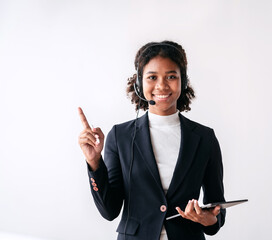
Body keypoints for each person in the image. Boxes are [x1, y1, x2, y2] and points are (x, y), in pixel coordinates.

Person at [78, 40, 226, 240]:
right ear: (139, 83)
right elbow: (109, 211)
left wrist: (209, 219)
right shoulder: (120, 136)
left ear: (183, 80)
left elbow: (217, 207)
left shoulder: (205, 138)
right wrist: (94, 162)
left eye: (171, 76)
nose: (162, 85)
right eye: (152, 77)